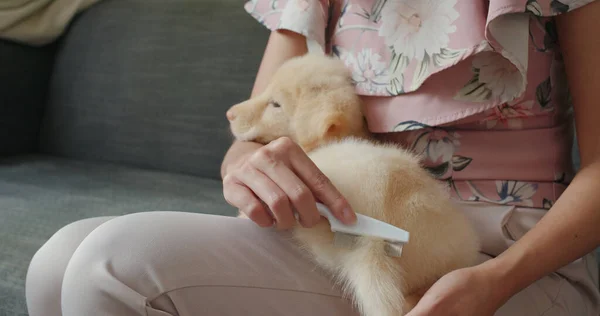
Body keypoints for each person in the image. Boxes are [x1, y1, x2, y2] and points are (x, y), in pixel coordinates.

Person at [25, 0, 600, 315]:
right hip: (346, 232)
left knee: (111, 265)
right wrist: (246, 170)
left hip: (501, 254)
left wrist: (494, 282)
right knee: (57, 262)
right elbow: (253, 134)